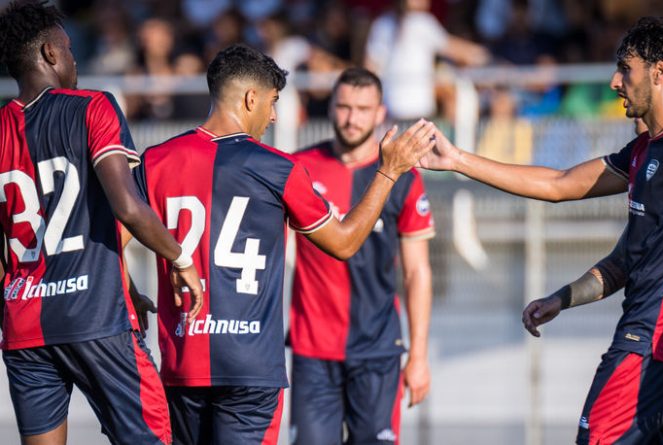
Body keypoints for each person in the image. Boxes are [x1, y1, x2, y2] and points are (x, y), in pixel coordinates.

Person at [420, 17, 663, 443]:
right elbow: (559, 184)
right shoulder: (646, 150)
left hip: (652, 345)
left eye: (625, 69)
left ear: (660, 72)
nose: (615, 82)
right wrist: (458, 160)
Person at [132, 45, 436, 444]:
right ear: (250, 99)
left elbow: (109, 240)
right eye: (273, 103)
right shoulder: (281, 167)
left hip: (183, 360)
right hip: (253, 369)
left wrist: (133, 295)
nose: (274, 116)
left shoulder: (155, 160)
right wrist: (389, 171)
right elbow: (343, 243)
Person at [0, 1, 204, 444]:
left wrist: (126, 282)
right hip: (96, 317)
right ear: (51, 54)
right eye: (69, 49)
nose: (74, 59)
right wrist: (181, 257)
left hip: (24, 324)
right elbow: (127, 207)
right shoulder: (93, 106)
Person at [288, 68, 435, 444]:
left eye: (362, 109)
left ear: (380, 112)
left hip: (378, 349)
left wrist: (418, 356)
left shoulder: (402, 176)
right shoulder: (297, 168)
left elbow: (417, 271)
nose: (352, 118)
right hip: (312, 348)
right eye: (343, 107)